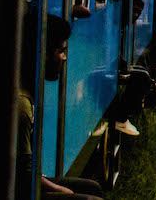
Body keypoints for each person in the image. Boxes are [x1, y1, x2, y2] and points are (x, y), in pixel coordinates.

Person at [18, 15, 106, 199]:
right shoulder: (21, 106)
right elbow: (23, 175)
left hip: (26, 180)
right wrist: (60, 190)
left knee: (93, 188)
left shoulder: (26, 93)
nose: (64, 57)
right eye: (61, 50)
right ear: (41, 53)